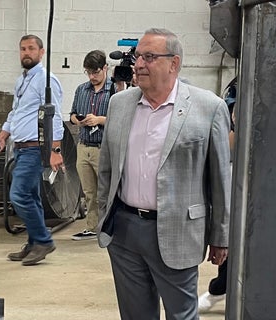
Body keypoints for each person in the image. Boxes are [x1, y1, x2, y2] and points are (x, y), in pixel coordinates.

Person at [96, 28, 232, 319]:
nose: (139, 64)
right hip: (125, 232)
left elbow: (220, 180)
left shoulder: (209, 107)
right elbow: (106, 169)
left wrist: (220, 236)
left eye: (149, 57)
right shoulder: (119, 105)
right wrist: (103, 215)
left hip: (178, 231)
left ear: (174, 63)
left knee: (181, 314)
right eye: (138, 57)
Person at [0, 34, 64, 266]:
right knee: (31, 196)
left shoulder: (47, 80)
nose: (26, 53)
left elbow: (56, 115)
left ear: (41, 52)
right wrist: (3, 135)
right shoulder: (21, 81)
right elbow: (15, 112)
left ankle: (43, 240)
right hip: (20, 148)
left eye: (31, 48)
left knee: (19, 195)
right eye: (22, 49)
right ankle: (34, 242)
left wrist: (55, 149)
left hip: (35, 148)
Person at [198, 77, 237, 313]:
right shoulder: (234, 94)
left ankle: (218, 289)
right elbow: (229, 144)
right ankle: (219, 288)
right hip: (235, 181)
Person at [69, 50, 114, 241]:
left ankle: (110, 227)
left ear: (105, 68)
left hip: (104, 148)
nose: (92, 76)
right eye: (88, 72)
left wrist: (99, 120)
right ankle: (92, 227)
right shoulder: (82, 90)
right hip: (84, 145)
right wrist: (77, 120)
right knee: (89, 192)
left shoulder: (115, 91)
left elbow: (121, 119)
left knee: (107, 191)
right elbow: (72, 114)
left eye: (95, 72)